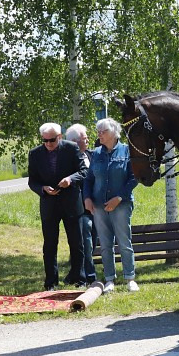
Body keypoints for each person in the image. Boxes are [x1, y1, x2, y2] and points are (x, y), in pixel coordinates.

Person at [28, 122, 89, 290]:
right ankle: (51, 282)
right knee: (49, 244)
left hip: (71, 202)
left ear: (60, 137)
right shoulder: (35, 154)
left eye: (52, 140)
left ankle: (79, 278)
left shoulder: (71, 148)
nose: (48, 144)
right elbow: (32, 181)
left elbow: (83, 171)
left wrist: (70, 179)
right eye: (45, 141)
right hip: (49, 204)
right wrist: (43, 189)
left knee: (76, 242)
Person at [84, 117, 140, 292]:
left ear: (114, 133)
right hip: (99, 206)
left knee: (124, 242)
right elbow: (89, 179)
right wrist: (87, 198)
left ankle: (130, 278)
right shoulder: (96, 154)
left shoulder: (126, 151)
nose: (99, 134)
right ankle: (109, 279)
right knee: (105, 244)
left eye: (103, 131)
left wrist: (119, 198)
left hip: (121, 205)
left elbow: (134, 178)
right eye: (98, 131)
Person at [66, 123, 97, 286]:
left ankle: (75, 273)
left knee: (93, 241)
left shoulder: (93, 155)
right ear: (75, 142)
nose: (88, 140)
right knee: (85, 242)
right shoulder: (68, 160)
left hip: (97, 207)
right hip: (79, 208)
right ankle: (88, 277)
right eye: (85, 138)